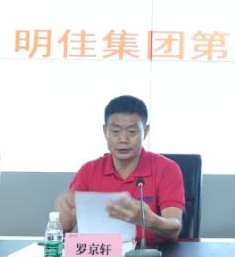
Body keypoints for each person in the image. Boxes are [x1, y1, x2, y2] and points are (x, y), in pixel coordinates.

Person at [55, 95, 184, 243]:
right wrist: (64, 216)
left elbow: (174, 228)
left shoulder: (167, 169)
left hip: (151, 254)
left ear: (146, 131)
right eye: (115, 131)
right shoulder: (89, 171)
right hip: (101, 254)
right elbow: (64, 229)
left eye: (132, 132)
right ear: (105, 131)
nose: (123, 139)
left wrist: (148, 219)